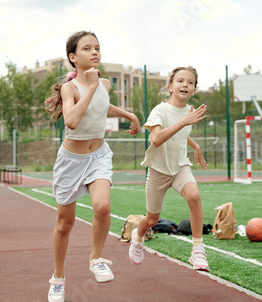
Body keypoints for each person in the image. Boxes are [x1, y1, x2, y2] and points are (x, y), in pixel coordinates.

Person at [45, 31, 140, 302]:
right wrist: (91, 86)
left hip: (98, 155)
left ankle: (96, 258)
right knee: (65, 224)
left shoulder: (105, 84)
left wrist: (129, 114)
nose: (95, 52)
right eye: (87, 48)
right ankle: (58, 279)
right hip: (71, 162)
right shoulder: (70, 88)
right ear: (73, 58)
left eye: (97, 47)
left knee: (103, 207)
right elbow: (72, 121)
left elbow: (102, 106)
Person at [128, 66, 210, 271]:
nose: (185, 85)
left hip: (180, 167)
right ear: (170, 86)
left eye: (190, 82)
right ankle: (138, 236)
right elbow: (156, 139)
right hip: (158, 170)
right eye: (180, 81)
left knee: (194, 196)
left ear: (194, 89)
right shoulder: (161, 110)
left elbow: (182, 132)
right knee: (152, 219)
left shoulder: (189, 111)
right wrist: (184, 122)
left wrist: (196, 146)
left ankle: (198, 250)